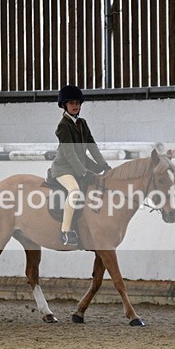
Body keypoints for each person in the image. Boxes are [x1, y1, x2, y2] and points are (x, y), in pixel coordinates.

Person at [50, 85, 111, 246]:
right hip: (63, 168)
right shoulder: (63, 126)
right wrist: (84, 173)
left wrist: (104, 164)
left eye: (77, 103)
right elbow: (70, 154)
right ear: (64, 105)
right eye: (71, 103)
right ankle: (65, 232)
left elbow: (92, 145)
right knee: (75, 192)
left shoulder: (82, 123)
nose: (75, 106)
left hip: (80, 165)